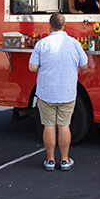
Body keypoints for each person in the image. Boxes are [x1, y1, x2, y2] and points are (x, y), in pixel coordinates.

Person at [28, 13, 88, 171]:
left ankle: (50, 161)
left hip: (46, 92)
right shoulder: (74, 43)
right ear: (64, 25)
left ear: (50, 26)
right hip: (67, 93)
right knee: (64, 125)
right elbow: (84, 65)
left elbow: (32, 67)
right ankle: (65, 160)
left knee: (48, 125)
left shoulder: (42, 43)